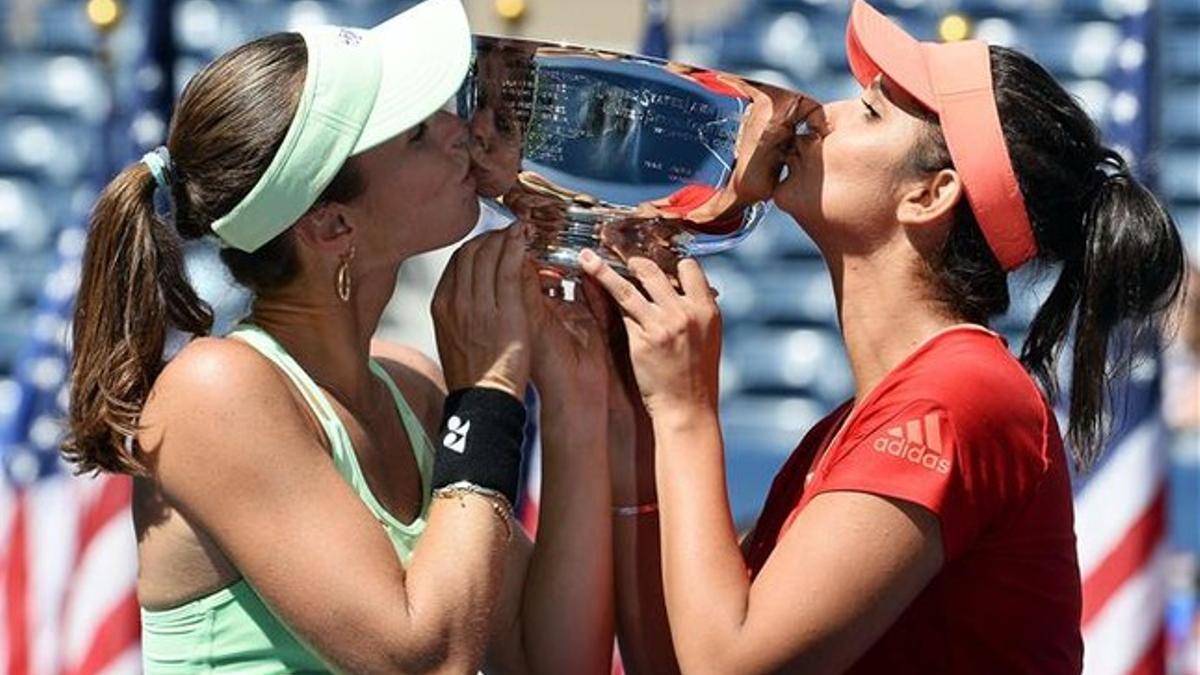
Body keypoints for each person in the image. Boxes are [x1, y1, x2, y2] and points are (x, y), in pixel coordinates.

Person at [578, 1, 1187, 672]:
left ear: (930, 195)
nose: (819, 113)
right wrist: (640, 427)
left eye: (869, 112)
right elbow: (671, 661)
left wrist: (686, 413)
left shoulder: (960, 394)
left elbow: (730, 663)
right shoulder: (866, 418)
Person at [62, 0, 613, 672]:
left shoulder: (413, 386)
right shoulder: (215, 390)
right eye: (415, 132)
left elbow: (553, 661)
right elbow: (426, 659)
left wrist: (576, 406)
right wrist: (488, 398)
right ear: (330, 227)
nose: (457, 130)